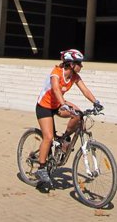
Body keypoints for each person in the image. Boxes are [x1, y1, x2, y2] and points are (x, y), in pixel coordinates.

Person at [34, 48, 102, 190]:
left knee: (78, 115)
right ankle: (41, 168)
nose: (81, 66)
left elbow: (85, 90)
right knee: (48, 137)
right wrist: (64, 104)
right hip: (44, 106)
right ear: (71, 64)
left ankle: (64, 138)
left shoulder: (74, 76)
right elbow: (56, 90)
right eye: (79, 63)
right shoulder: (56, 73)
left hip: (58, 104)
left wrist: (96, 102)